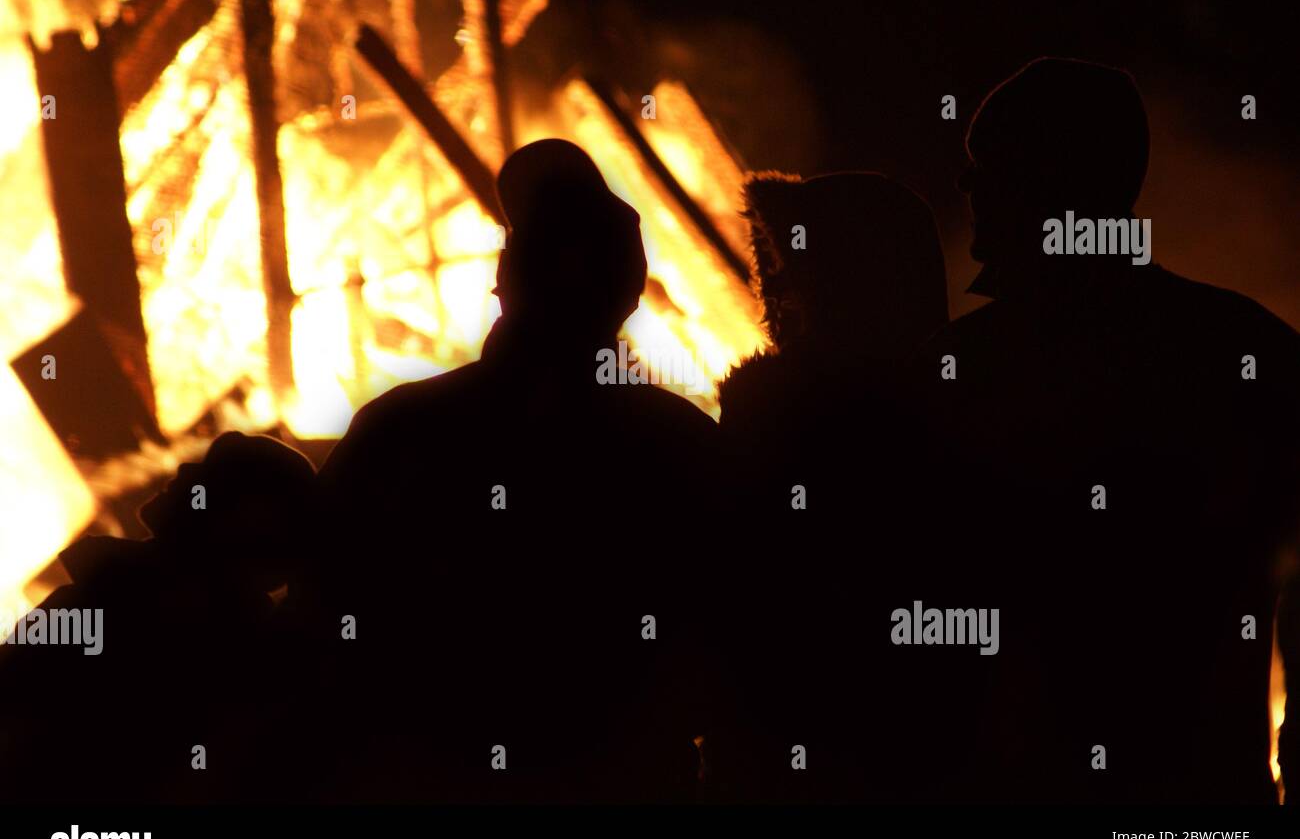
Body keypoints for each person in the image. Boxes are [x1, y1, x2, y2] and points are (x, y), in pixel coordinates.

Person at [913, 57, 1300, 803]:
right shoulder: (1252, 350)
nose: (966, 187)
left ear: (1052, 178)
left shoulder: (958, 372)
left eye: (989, 162)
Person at [317, 139, 719, 802]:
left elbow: (325, 617)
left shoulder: (401, 429)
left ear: (503, 281)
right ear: (627, 293)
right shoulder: (683, 443)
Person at [713, 171, 953, 801]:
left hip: (802, 740)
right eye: (777, 269)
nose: (783, 291)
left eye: (798, 267)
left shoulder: (773, 412)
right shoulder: (960, 399)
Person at [0, 432, 317, 803]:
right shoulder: (229, 654)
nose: (184, 470)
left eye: (215, 476)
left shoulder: (122, 609)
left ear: (247, 524)